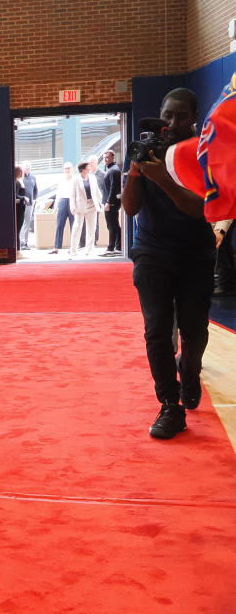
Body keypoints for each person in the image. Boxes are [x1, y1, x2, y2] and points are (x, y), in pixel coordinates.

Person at [121, 88, 215, 439]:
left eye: (180, 116)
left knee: (194, 330)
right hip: (151, 252)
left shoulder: (201, 153)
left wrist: (163, 179)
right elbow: (130, 209)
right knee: (157, 330)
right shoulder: (149, 150)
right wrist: (134, 172)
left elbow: (201, 209)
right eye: (167, 115)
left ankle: (189, 371)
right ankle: (170, 406)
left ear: (194, 116)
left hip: (195, 253)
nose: (172, 123)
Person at [68, 160, 103, 258]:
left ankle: (89, 250)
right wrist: (72, 206)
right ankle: (73, 250)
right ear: (83, 168)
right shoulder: (76, 179)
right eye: (88, 166)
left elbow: (96, 191)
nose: (90, 167)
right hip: (80, 206)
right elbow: (72, 194)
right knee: (77, 228)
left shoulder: (92, 177)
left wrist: (101, 202)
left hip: (92, 204)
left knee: (91, 228)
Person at [50, 162, 75, 254]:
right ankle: (56, 247)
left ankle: (73, 247)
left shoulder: (75, 179)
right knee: (60, 225)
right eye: (65, 168)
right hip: (62, 201)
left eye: (68, 168)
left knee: (74, 226)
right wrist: (55, 207)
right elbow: (58, 194)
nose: (67, 170)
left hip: (72, 202)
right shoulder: (61, 180)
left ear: (72, 169)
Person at [100, 150, 122, 256]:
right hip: (111, 202)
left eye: (107, 157)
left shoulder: (113, 170)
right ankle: (118, 247)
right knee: (114, 225)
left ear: (113, 157)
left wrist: (108, 202)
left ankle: (111, 248)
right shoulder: (112, 169)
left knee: (112, 226)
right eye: (104, 157)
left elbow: (114, 188)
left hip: (111, 202)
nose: (105, 159)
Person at [20, 162, 38, 249]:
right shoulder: (20, 178)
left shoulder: (33, 177)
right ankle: (21, 242)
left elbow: (36, 189)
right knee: (21, 223)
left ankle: (25, 243)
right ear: (23, 168)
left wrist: (34, 199)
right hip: (21, 204)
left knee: (27, 223)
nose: (28, 168)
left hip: (30, 204)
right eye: (26, 166)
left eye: (29, 166)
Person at [14, 166, 27, 251]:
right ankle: (18, 251)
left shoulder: (19, 181)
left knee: (18, 229)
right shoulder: (16, 182)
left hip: (21, 207)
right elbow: (15, 195)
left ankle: (18, 250)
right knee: (18, 229)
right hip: (19, 208)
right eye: (20, 171)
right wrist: (24, 198)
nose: (21, 173)